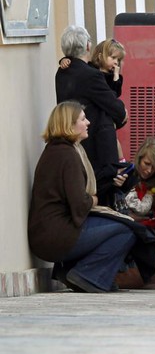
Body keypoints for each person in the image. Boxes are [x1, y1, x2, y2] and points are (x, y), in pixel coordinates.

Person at [28, 101, 136, 293]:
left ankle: (69, 271)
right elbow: (80, 204)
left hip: (47, 233)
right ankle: (90, 275)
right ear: (68, 125)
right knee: (127, 230)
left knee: (115, 224)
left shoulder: (57, 150)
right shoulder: (67, 155)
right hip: (55, 235)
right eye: (83, 119)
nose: (88, 123)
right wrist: (94, 199)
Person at [55, 26, 131, 206]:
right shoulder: (91, 75)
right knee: (103, 200)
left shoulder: (61, 73)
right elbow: (116, 109)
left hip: (73, 143)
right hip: (97, 147)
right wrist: (123, 112)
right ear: (88, 46)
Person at [114, 137, 155, 289]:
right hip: (121, 238)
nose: (148, 171)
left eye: (154, 168)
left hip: (145, 243)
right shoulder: (126, 175)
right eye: (146, 164)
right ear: (139, 157)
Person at [60, 38, 128, 161]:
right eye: (113, 58)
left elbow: (114, 95)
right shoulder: (92, 71)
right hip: (99, 123)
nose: (116, 63)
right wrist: (63, 60)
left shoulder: (112, 76)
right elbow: (77, 64)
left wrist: (116, 76)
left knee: (115, 141)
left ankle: (121, 160)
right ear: (101, 56)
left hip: (108, 117)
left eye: (119, 60)